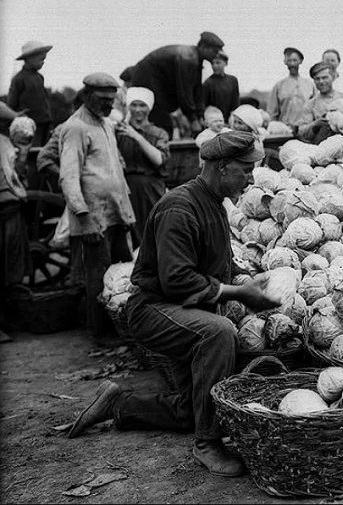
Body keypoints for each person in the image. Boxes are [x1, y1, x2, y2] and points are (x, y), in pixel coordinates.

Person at [67, 131, 281, 477]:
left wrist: (244, 278)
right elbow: (177, 280)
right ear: (223, 167)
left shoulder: (213, 203)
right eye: (246, 169)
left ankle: (118, 404)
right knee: (219, 333)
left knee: (191, 410)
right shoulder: (179, 207)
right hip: (152, 309)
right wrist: (237, 294)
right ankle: (207, 444)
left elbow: (219, 260)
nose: (252, 178)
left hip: (182, 310)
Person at [59, 73, 136, 337]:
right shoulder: (75, 128)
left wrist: (125, 210)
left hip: (114, 213)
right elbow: (68, 177)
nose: (109, 105)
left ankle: (122, 329)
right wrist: (84, 216)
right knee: (98, 276)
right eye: (104, 100)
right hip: (94, 218)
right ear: (88, 95)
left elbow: (115, 170)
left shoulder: (105, 124)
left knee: (122, 275)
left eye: (112, 100)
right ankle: (101, 335)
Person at [130, 32, 225, 137]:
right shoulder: (188, 58)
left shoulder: (196, 59)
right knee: (163, 122)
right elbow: (184, 92)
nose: (217, 55)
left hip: (158, 81)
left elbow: (197, 90)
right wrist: (193, 119)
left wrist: (201, 116)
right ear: (203, 47)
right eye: (215, 51)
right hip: (146, 79)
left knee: (163, 121)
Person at [115, 87, 170, 248]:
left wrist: (136, 136)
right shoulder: (119, 131)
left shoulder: (158, 133)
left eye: (142, 105)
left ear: (149, 108)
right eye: (134, 105)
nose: (138, 110)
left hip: (151, 189)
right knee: (128, 235)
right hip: (126, 188)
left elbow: (159, 160)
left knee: (153, 232)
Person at [0, 116, 33, 342]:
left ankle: (8, 320)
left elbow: (20, 177)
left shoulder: (5, 143)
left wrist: (22, 153)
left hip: (10, 209)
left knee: (9, 269)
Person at [295, 62, 343, 146]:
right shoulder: (310, 105)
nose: (321, 81)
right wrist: (316, 124)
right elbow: (302, 132)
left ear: (333, 77)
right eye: (317, 79)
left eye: (325, 77)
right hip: (320, 150)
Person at [8, 41, 53, 145]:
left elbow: (44, 100)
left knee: (42, 150)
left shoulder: (40, 77)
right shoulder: (19, 78)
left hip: (44, 122)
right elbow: (11, 103)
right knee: (30, 149)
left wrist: (49, 119)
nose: (43, 62)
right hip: (28, 125)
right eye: (41, 59)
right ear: (29, 59)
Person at [267, 47, 315, 128]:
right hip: (285, 130)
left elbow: (316, 109)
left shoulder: (310, 84)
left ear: (300, 61)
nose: (292, 64)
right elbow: (272, 113)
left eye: (295, 60)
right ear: (285, 62)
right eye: (289, 61)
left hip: (306, 129)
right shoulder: (279, 86)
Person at [201, 52, 240, 122]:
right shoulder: (208, 83)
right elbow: (204, 106)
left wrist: (233, 119)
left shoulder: (233, 80)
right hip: (214, 122)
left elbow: (236, 103)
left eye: (218, 63)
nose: (214, 66)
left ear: (225, 63)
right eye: (212, 63)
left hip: (230, 121)